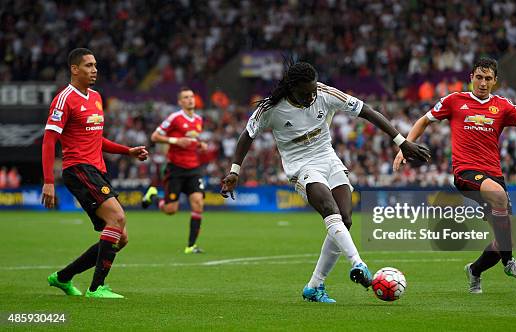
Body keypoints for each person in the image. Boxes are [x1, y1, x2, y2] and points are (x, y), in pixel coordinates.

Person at [220, 61, 430, 302]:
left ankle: (314, 286)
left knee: (346, 219)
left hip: (329, 160)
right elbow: (247, 135)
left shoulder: (324, 93)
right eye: (306, 92)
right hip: (301, 167)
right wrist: (235, 171)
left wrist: (401, 142)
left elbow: (367, 111)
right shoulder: (272, 109)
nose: (312, 95)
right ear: (292, 87)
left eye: (313, 90)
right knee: (331, 211)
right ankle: (358, 263)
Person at [393, 57, 516, 294]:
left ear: (495, 81)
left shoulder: (503, 105)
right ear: (471, 78)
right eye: (479, 77)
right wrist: (405, 146)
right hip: (466, 172)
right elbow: (424, 121)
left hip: (494, 174)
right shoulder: (455, 101)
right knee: (498, 198)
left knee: (503, 241)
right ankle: (509, 263)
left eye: (488, 78)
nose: (483, 83)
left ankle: (475, 271)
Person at [42, 48, 149, 299]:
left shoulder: (97, 97)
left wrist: (128, 151)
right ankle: (96, 288)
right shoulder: (64, 99)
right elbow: (49, 141)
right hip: (78, 169)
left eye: (96, 65)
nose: (94, 70)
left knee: (120, 238)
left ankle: (63, 277)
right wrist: (48, 181)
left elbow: (96, 138)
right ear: (74, 69)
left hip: (97, 170)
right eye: (89, 65)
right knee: (118, 218)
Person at [141, 87, 208, 254]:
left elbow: (192, 139)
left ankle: (190, 246)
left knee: (198, 203)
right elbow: (155, 137)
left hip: (194, 168)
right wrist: (175, 141)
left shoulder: (199, 119)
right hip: (176, 169)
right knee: (171, 210)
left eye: (191, 96)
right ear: (180, 102)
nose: (190, 99)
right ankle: (153, 196)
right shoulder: (174, 118)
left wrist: (200, 144)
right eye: (185, 97)